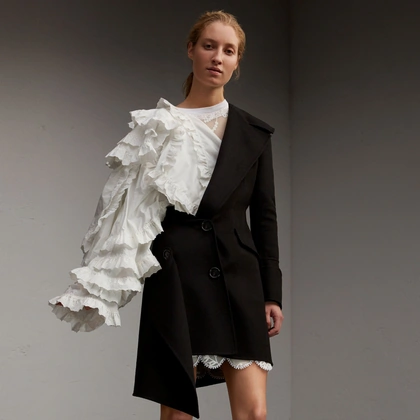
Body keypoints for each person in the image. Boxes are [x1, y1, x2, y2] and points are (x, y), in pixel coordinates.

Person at [49, 10, 284, 420]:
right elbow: (126, 213)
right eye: (209, 46)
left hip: (239, 278)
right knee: (177, 415)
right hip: (177, 277)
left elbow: (265, 217)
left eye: (229, 51)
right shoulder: (156, 127)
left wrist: (271, 293)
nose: (218, 57)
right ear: (191, 49)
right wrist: (99, 283)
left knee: (254, 413)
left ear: (236, 62)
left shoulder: (254, 133)